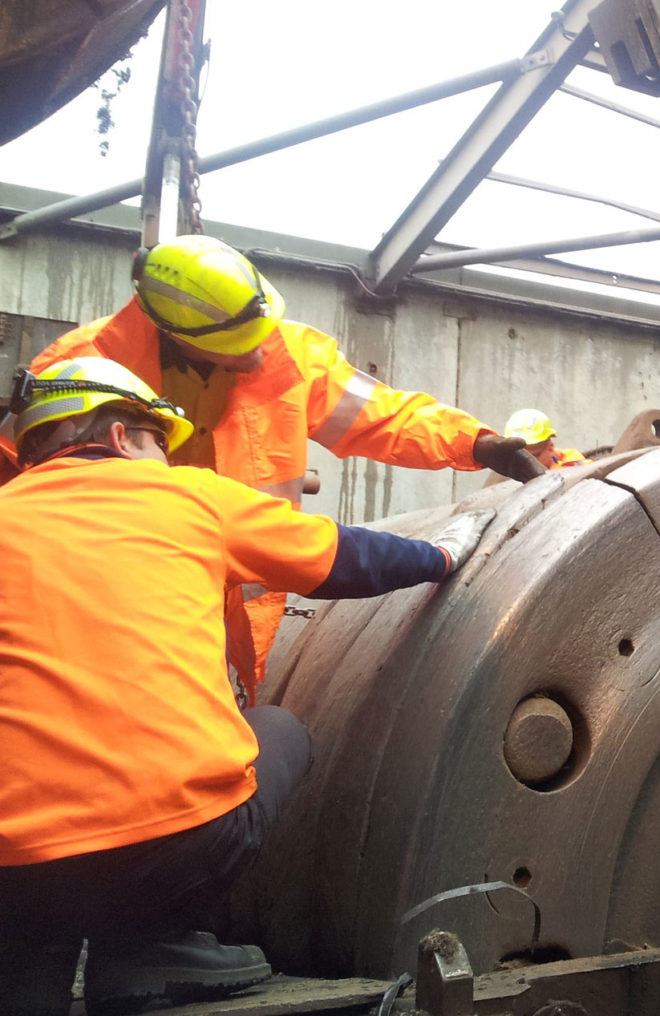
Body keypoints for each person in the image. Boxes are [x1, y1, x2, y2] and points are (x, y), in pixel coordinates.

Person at [0, 356, 494, 1016]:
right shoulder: (193, 498)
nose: (168, 462)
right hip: (169, 853)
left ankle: (33, 963)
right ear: (122, 437)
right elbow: (348, 559)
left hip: (15, 873)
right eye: (158, 444)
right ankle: (152, 942)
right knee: (278, 731)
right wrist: (443, 552)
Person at [0, 234, 542, 700]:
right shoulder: (78, 372)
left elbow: (383, 416)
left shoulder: (288, 354)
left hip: (251, 578)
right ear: (181, 339)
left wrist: (476, 443)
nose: (261, 356)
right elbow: (20, 472)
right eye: (240, 348)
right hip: (122, 590)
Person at [504, 407, 591, 470]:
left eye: (534, 456)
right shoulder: (506, 471)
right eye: (518, 457)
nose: (525, 463)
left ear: (550, 447)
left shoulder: (577, 466)